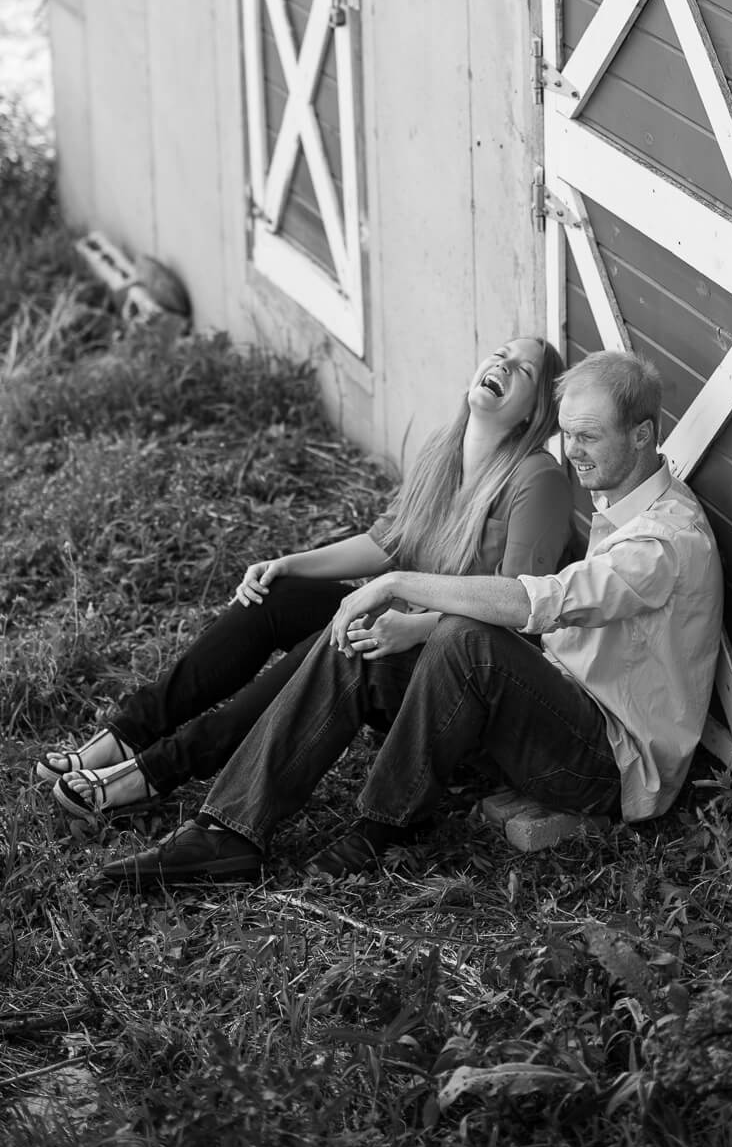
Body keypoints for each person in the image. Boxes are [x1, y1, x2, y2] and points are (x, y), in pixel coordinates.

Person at [98, 350, 724, 887]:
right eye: (568, 433)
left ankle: (382, 828)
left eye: (589, 436)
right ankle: (228, 829)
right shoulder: (621, 504)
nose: (573, 451)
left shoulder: (663, 542)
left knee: (468, 639)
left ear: (642, 435)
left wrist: (395, 585)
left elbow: (540, 602)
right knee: (364, 648)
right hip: (547, 714)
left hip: (606, 765)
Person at [38, 336, 571, 827]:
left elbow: (518, 611)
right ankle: (129, 732)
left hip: (450, 683)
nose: (502, 363)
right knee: (278, 597)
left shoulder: (537, 480)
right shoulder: (442, 451)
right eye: (501, 351)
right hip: (397, 638)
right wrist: (290, 562)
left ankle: (158, 769)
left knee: (335, 635)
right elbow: (386, 541)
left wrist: (415, 630)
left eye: (522, 367)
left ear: (536, 412)